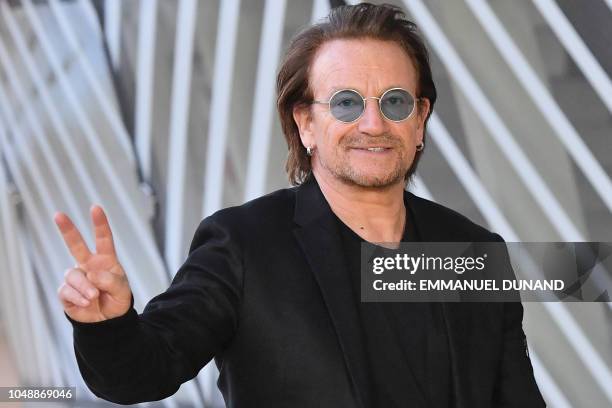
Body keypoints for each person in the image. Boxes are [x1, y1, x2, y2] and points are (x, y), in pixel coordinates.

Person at [55, 3, 545, 407]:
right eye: (346, 103)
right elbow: (148, 369)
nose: (373, 124)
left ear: (419, 121)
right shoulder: (244, 245)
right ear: (306, 123)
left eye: (395, 102)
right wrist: (108, 326)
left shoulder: (472, 252)